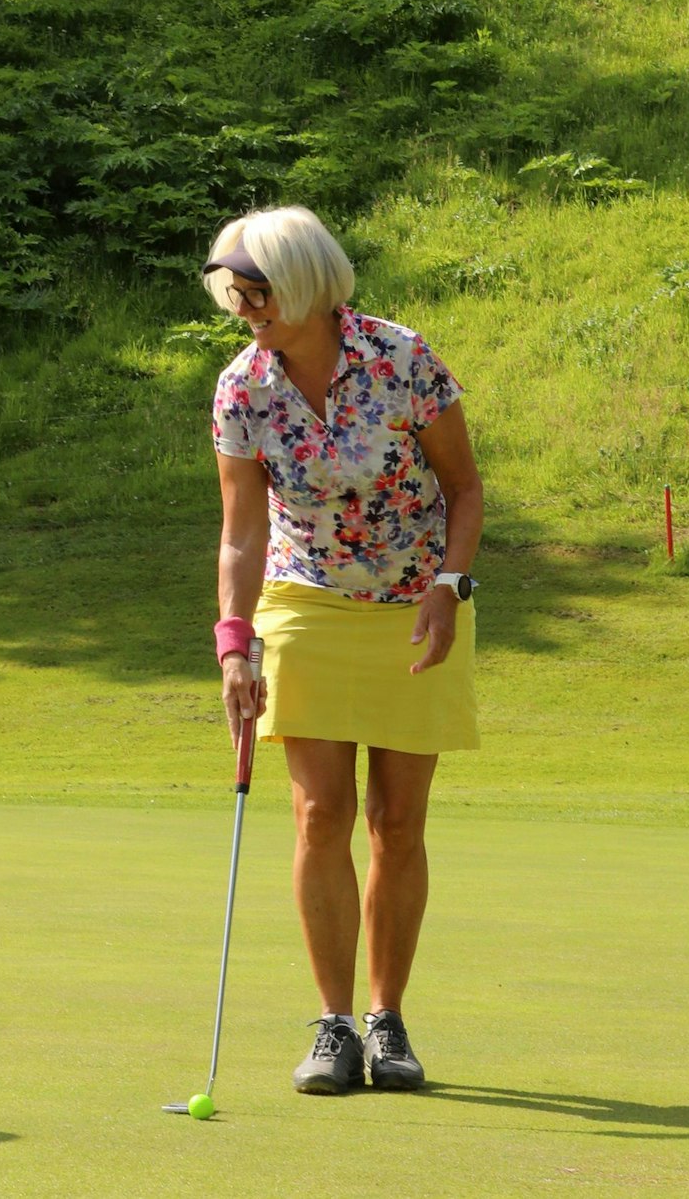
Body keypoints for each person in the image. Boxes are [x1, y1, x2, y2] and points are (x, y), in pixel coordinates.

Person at [204, 204, 482, 1096]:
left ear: (306, 283)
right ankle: (331, 1026)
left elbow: (465, 489)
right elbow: (242, 533)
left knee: (397, 821)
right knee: (320, 815)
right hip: (306, 603)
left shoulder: (402, 359)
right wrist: (236, 643)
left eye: (258, 292)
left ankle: (386, 1018)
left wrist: (450, 585)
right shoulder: (242, 388)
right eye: (234, 294)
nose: (247, 310)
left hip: (417, 605)